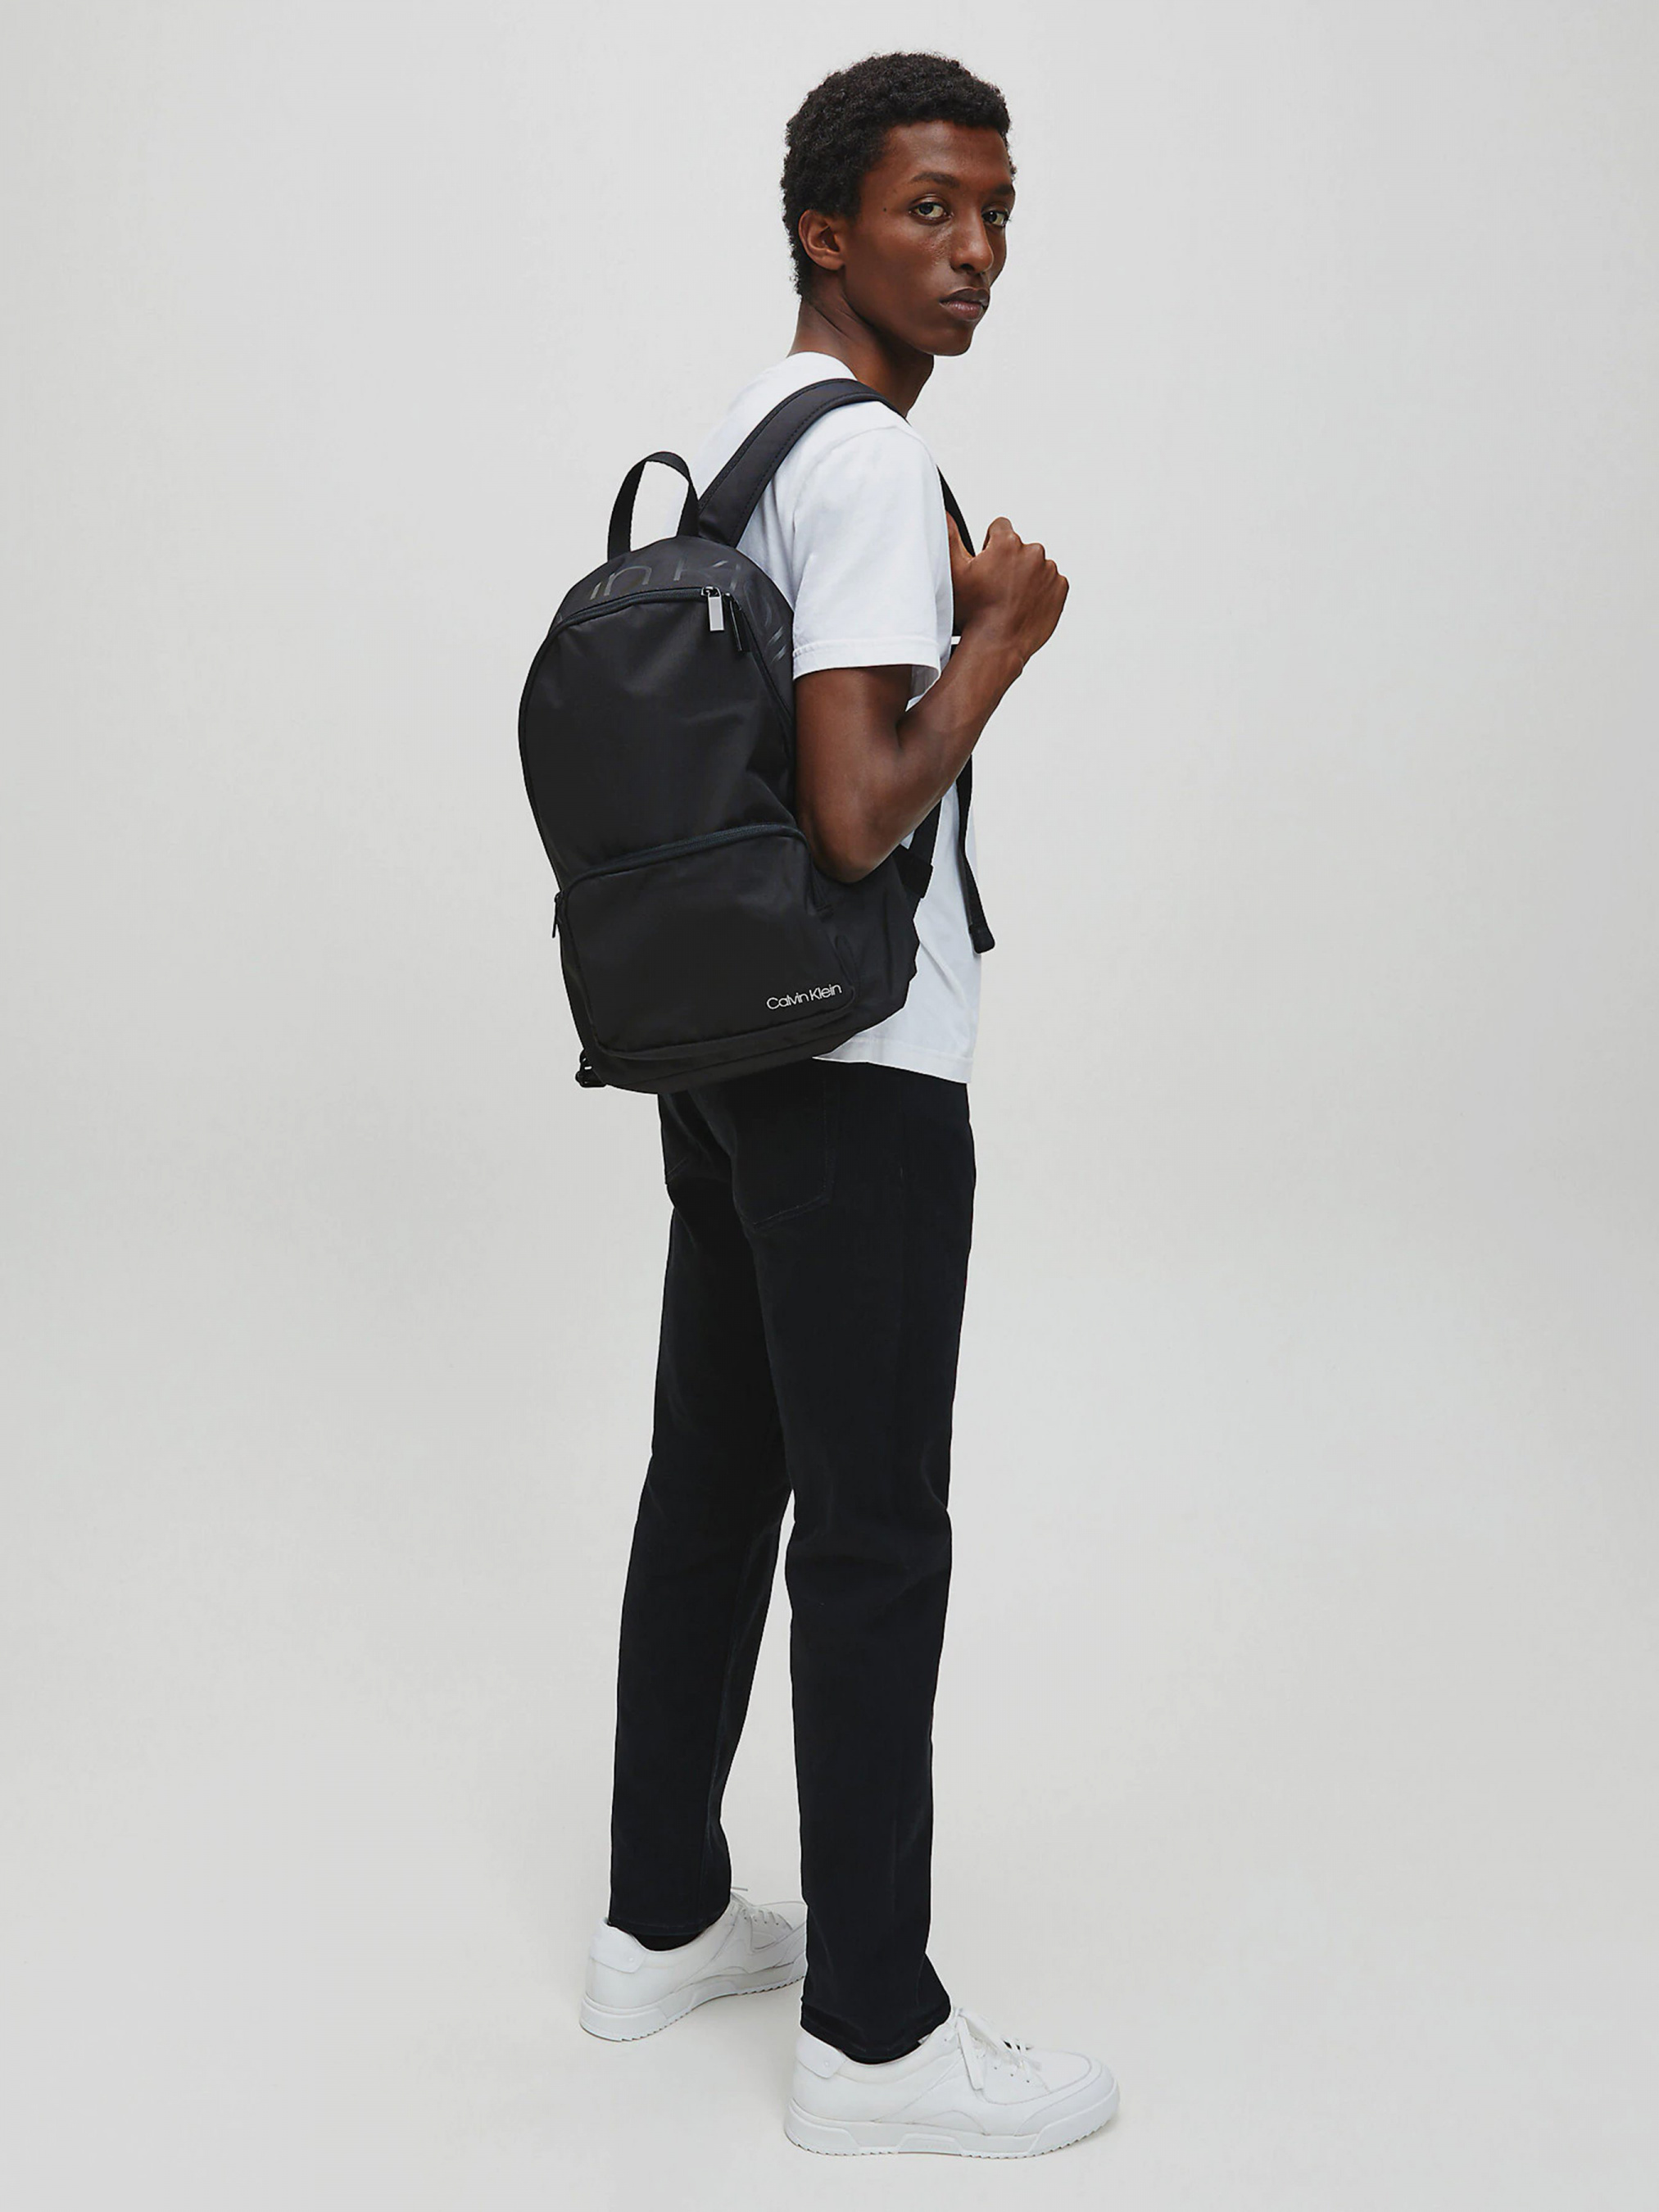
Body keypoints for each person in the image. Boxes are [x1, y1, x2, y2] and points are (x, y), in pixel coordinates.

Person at [578, 52, 1118, 2158]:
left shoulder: (744, 437)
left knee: (714, 1481)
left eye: (994, 213)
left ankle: (657, 1921)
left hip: (725, 1058)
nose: (971, 251)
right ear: (826, 229)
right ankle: (874, 2040)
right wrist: (1005, 640)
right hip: (857, 1068)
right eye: (925, 209)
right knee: (876, 1530)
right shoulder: (874, 465)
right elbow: (854, 806)